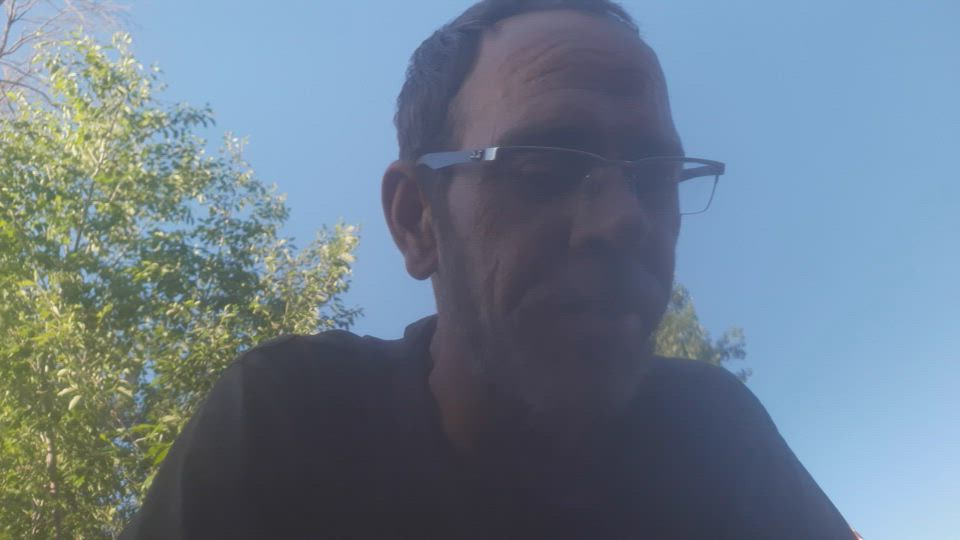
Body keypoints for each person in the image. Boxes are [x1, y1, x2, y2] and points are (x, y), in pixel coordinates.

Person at [121, 1, 855, 538]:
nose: (625, 221)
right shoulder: (289, 426)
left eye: (655, 176)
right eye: (544, 166)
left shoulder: (715, 437)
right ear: (418, 220)